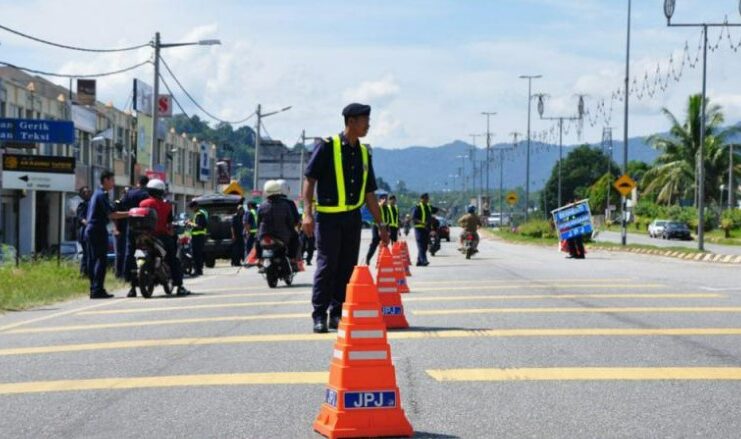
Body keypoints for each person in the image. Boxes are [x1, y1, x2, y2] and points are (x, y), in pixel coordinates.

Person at [302, 102, 388, 334]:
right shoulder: (327, 146)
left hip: (352, 219)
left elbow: (369, 193)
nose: (368, 125)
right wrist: (307, 213)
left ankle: (337, 312)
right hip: (328, 218)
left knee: (347, 267)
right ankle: (319, 315)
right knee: (327, 265)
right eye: (365, 121)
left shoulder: (364, 153)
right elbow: (310, 179)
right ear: (351, 121)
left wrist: (381, 224)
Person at [139, 179, 190, 296]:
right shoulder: (166, 206)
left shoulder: (142, 203)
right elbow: (169, 225)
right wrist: (172, 232)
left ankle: (132, 287)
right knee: (173, 259)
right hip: (161, 236)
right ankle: (180, 286)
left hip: (144, 236)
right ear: (161, 191)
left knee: (135, 255)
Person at [84, 171, 128, 299]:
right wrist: (130, 213)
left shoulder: (97, 194)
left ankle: (94, 288)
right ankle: (98, 289)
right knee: (100, 260)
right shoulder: (101, 195)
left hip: (91, 229)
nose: (114, 183)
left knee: (93, 260)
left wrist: (113, 228)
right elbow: (111, 214)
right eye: (112, 180)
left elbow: (107, 215)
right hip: (97, 230)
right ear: (106, 180)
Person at [256, 180, 300, 265]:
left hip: (264, 235)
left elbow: (258, 223)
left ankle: (259, 259)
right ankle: (292, 259)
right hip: (282, 236)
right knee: (295, 237)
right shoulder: (286, 205)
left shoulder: (262, 206)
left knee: (257, 239)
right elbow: (291, 221)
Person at [119, 176, 149, 297]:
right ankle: (146, 276)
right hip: (145, 228)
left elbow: (120, 205)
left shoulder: (129, 194)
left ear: (138, 183)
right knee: (147, 251)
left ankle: (130, 282)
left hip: (131, 227)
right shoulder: (147, 194)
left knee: (130, 253)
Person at [364, 192, 388, 265]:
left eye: (386, 198)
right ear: (379, 200)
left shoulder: (387, 208)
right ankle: (368, 258)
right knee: (375, 240)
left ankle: (385, 261)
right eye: (383, 198)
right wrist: (380, 229)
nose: (385, 200)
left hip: (384, 226)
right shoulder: (377, 206)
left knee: (385, 242)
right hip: (376, 226)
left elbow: (388, 220)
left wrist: (388, 229)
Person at [412, 193, 434, 266]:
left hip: (426, 229)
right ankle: (424, 260)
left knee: (424, 246)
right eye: (425, 198)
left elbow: (433, 210)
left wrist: (442, 210)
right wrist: (422, 222)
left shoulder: (428, 207)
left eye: (427, 198)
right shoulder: (417, 207)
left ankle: (419, 261)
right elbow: (414, 218)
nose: (427, 200)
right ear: (421, 199)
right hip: (419, 229)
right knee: (421, 244)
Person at [189, 200, 208, 276]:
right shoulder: (198, 214)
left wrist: (190, 224)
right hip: (197, 237)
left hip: (198, 237)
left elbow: (199, 226)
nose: (191, 209)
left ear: (195, 207)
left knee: (196, 254)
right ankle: (198, 270)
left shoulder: (199, 214)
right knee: (197, 254)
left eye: (192, 208)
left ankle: (198, 270)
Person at [76, 186, 91, 277]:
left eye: (88, 191)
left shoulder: (91, 203)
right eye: (85, 192)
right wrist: (89, 224)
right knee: (86, 253)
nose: (87, 193)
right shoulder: (82, 205)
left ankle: (88, 272)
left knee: (89, 253)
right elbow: (81, 218)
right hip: (84, 232)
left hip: (90, 232)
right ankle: (84, 273)